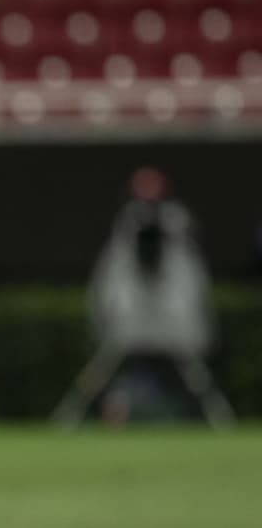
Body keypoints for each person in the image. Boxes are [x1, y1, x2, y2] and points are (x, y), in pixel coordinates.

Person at [53, 167, 234, 427]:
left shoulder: (177, 224)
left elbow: (192, 275)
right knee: (101, 370)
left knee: (194, 375)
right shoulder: (126, 225)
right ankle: (71, 418)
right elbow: (110, 273)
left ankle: (218, 420)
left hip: (171, 315)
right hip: (132, 316)